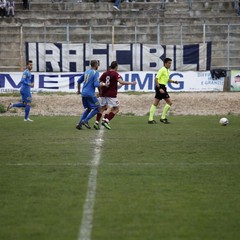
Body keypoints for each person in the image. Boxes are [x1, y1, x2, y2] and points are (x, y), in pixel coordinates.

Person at [93, 61, 137, 130]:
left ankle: (96, 122)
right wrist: (131, 83)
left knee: (102, 108)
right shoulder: (115, 74)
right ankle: (106, 120)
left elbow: (99, 82)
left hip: (104, 94)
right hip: (111, 95)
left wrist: (100, 91)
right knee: (116, 109)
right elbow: (121, 82)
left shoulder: (105, 73)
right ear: (116, 66)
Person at [76, 60, 108, 130]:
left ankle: (79, 124)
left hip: (84, 94)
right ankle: (85, 121)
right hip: (90, 94)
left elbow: (78, 81)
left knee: (89, 109)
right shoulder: (95, 72)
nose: (98, 66)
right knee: (98, 108)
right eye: (98, 65)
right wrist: (104, 84)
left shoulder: (86, 72)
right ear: (96, 65)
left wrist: (78, 91)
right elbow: (96, 84)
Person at [148, 57, 178, 124]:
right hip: (160, 87)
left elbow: (167, 79)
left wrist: (174, 82)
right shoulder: (162, 70)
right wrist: (160, 88)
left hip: (162, 87)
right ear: (165, 63)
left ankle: (150, 119)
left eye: (171, 63)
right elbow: (156, 79)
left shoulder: (167, 70)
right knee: (169, 102)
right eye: (169, 63)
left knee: (155, 103)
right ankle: (163, 118)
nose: (170, 64)